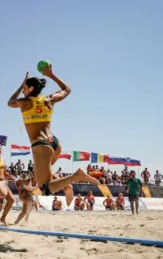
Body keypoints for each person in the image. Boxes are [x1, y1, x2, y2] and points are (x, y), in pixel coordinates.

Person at [7, 65, 98, 206]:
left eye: (25, 88)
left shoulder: (24, 102)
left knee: (45, 189)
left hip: (41, 145)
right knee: (43, 174)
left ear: (30, 89)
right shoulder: (48, 99)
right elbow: (67, 90)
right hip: (54, 143)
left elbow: (10, 102)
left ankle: (76, 176)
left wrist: (20, 85)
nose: (23, 91)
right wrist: (51, 74)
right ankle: (67, 186)